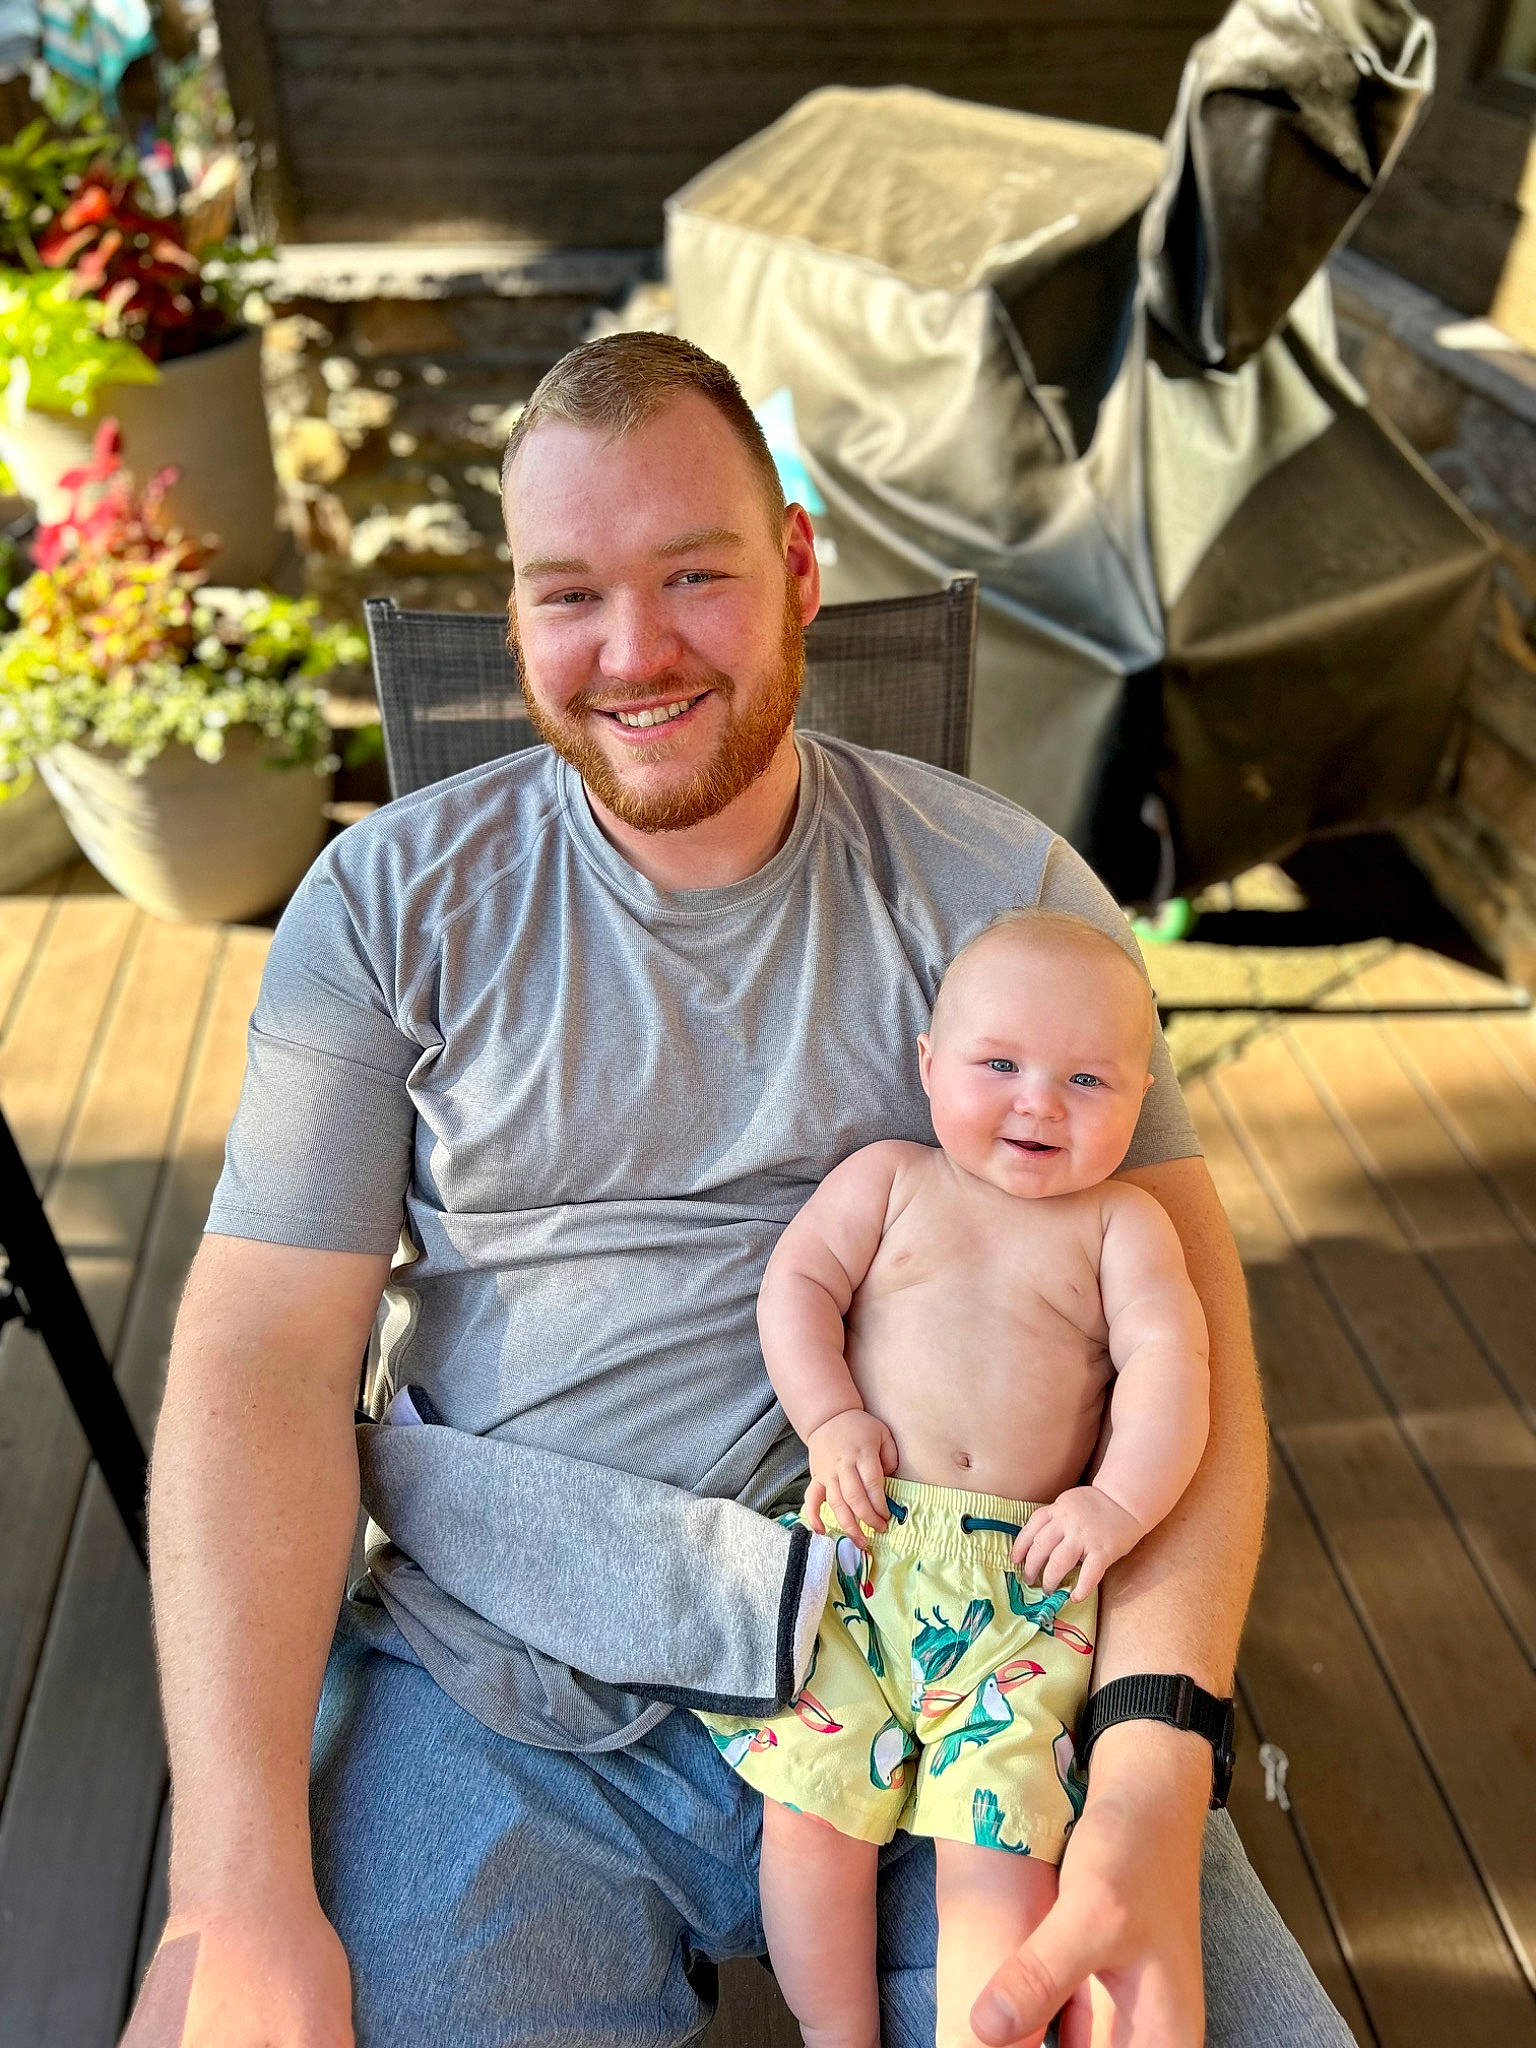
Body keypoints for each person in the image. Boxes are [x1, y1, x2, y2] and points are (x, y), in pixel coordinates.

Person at [123, 332, 1354, 2048]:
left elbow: (1195, 1351)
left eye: (693, 575)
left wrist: (1148, 1774)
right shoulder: (387, 908)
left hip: (967, 1671)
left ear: (795, 568)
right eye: (570, 594)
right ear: (515, 618)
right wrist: (232, 1880)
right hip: (513, 1687)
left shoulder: (1003, 900)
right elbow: (260, 1349)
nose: (633, 652)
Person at [699, 909, 1210, 2048]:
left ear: (1140, 1094)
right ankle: (837, 2032)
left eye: (1088, 1078)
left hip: (1024, 1581)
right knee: (809, 1811)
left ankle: (988, 2032)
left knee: (1002, 1841)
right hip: (862, 1540)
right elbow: (798, 1288)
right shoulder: (890, 1180)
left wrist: (1115, 1501)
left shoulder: (1123, 1224)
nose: (1040, 1102)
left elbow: (1175, 1368)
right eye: (999, 1065)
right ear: (929, 1066)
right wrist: (829, 1415)